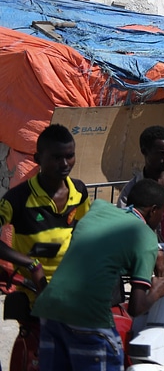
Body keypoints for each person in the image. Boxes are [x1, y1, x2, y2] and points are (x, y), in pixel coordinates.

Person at [33, 179, 164, 371]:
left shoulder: (99, 208)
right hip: (88, 318)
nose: (162, 219)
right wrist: (156, 291)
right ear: (153, 210)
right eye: (162, 213)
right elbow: (136, 307)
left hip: (50, 310)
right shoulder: (145, 235)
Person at [0, 124, 91, 296]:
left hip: (72, 288)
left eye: (69, 156)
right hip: (33, 294)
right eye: (56, 157)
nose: (64, 163)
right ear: (38, 159)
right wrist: (31, 264)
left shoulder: (79, 191)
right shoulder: (18, 198)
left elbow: (82, 229)